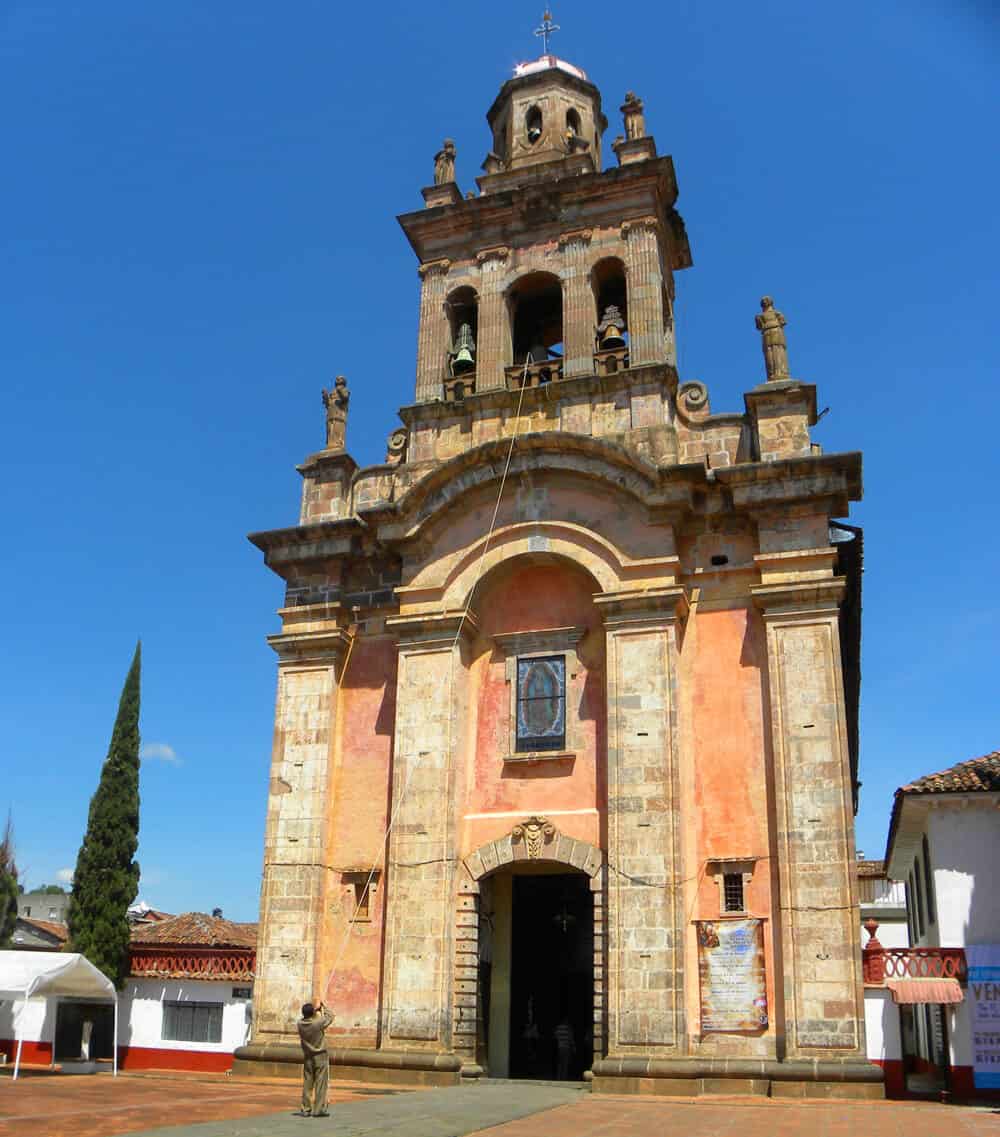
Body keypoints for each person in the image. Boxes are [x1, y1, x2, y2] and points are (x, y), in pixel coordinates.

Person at [296, 999, 334, 1118]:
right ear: (312, 1013)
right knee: (321, 1083)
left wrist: (314, 1012)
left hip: (308, 1056)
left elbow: (310, 1019)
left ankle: (305, 1108)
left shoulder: (300, 1024)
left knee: (308, 1083)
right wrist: (323, 1007)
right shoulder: (317, 1023)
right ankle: (318, 1109)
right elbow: (331, 1016)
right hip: (320, 1055)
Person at [554, 1015, 575, 1080]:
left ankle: (558, 1077)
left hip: (560, 1047)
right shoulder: (568, 1028)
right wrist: (574, 1047)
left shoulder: (558, 1028)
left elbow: (555, 1036)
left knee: (560, 1063)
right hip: (566, 1047)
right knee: (565, 1063)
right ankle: (564, 1077)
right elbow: (571, 1038)